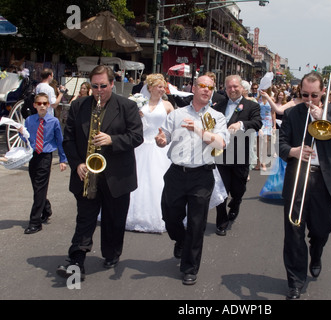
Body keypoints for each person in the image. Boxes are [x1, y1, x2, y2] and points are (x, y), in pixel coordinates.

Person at [57, 65, 143, 280]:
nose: (99, 90)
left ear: (112, 84)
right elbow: (68, 139)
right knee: (84, 218)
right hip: (86, 173)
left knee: (114, 220)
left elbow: (136, 136)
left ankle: (112, 253)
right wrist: (77, 163)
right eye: (94, 86)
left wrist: (112, 139)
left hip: (117, 176)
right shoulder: (78, 106)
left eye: (103, 86)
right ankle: (76, 260)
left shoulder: (127, 106)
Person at [279, 72, 331, 300]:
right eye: (304, 95)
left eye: (314, 95)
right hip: (298, 176)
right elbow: (280, 144)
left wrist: (325, 119)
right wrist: (294, 151)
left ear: (323, 93)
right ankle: (295, 281)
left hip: (324, 179)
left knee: (321, 230)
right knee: (294, 230)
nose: (309, 100)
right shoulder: (292, 113)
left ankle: (317, 252)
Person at [155, 75, 228, 285]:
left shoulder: (217, 117)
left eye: (210, 87)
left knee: (197, 224)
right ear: (193, 88)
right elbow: (164, 137)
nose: (206, 90)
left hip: (202, 175)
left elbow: (221, 143)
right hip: (176, 173)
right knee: (170, 217)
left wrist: (198, 129)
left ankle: (190, 267)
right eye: (202, 86)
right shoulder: (177, 114)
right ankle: (181, 239)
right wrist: (161, 140)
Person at [212, 74, 262, 236]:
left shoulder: (251, 106)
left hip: (241, 154)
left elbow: (257, 123)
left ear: (241, 87)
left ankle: (236, 202)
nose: (232, 90)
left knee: (238, 189)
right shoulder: (218, 105)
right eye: (229, 87)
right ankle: (221, 221)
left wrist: (241, 124)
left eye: (235, 87)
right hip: (221, 154)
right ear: (225, 88)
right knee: (221, 189)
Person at [126, 74, 174, 233]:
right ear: (150, 87)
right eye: (159, 86)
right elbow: (132, 125)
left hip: (160, 146)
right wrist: (137, 116)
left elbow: (174, 124)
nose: (162, 89)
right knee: (138, 179)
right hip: (141, 145)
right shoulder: (140, 104)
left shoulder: (167, 105)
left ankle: (160, 215)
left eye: (163, 87)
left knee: (158, 180)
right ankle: (132, 215)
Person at [19, 93, 67, 234]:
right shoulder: (29, 120)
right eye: (39, 103)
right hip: (32, 156)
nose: (42, 106)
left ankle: (35, 221)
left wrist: (63, 160)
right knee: (37, 187)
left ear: (48, 105)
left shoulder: (54, 122)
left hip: (45, 156)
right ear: (34, 105)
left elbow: (59, 141)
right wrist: (21, 132)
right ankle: (45, 207)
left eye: (45, 103)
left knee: (40, 186)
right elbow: (25, 137)